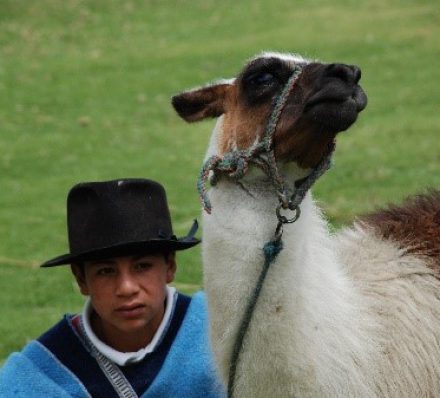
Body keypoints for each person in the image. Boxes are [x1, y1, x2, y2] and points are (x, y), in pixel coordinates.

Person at [0, 178, 226, 398]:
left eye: (142, 266)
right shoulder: (41, 373)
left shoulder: (221, 335)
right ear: (81, 279)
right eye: (106, 271)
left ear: (170, 266)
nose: (126, 288)